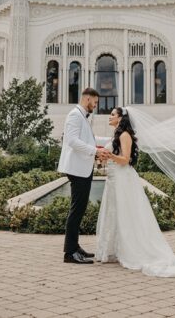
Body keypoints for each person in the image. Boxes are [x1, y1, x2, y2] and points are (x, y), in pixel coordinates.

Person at [95, 107, 175, 278]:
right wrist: (103, 158)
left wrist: (109, 155)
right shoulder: (116, 135)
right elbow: (116, 158)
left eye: (113, 115)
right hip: (114, 179)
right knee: (114, 212)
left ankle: (133, 250)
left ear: (121, 118)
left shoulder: (125, 135)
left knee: (127, 214)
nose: (110, 116)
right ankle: (113, 250)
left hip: (123, 179)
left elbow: (126, 160)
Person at [57, 87, 108, 264]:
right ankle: (70, 253)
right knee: (77, 209)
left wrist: (113, 140)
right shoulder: (75, 115)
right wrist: (95, 151)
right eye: (95, 102)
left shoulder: (83, 116)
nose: (96, 105)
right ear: (87, 99)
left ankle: (75, 247)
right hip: (77, 169)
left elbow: (91, 139)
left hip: (82, 169)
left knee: (79, 208)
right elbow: (72, 141)